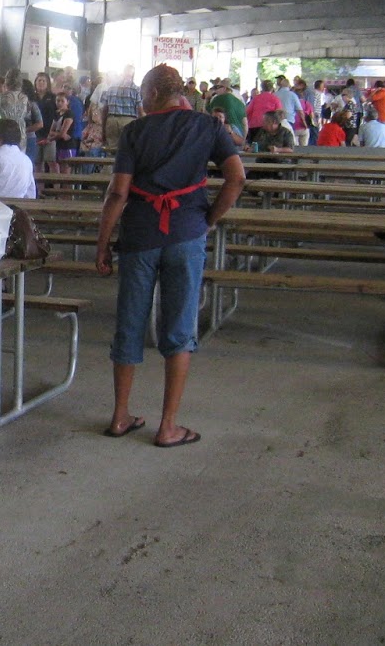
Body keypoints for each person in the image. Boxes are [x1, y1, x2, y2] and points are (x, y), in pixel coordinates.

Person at [96, 65, 245, 449]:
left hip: (140, 236)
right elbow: (236, 178)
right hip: (186, 234)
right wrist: (208, 219)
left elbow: (118, 193)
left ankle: (120, 417)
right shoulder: (208, 126)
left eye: (142, 95)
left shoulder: (135, 132)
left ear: (152, 93)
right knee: (179, 329)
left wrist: (102, 243)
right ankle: (168, 426)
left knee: (130, 324)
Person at [98, 65, 142, 149]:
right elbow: (140, 110)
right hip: (129, 122)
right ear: (133, 75)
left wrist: (103, 129)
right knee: (128, 149)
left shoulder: (110, 88)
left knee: (111, 149)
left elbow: (104, 110)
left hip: (112, 121)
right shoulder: (136, 89)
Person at [48, 92, 80, 172]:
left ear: (67, 102)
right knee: (60, 169)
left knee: (66, 171)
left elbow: (62, 133)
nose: (59, 103)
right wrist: (59, 134)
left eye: (62, 101)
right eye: (58, 101)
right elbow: (51, 131)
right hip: (59, 145)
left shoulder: (69, 113)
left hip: (68, 146)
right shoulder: (57, 113)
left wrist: (52, 138)